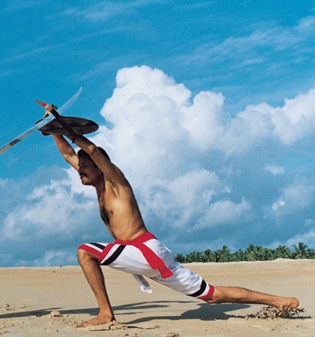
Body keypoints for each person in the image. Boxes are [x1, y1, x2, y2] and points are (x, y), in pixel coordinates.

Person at [46, 110, 299, 328]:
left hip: (144, 251)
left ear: (99, 166)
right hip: (149, 254)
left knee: (85, 252)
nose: (79, 170)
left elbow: (89, 149)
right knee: (212, 295)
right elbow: (71, 154)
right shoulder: (98, 186)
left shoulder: (117, 183)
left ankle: (105, 313)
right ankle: (282, 301)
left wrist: (67, 127)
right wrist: (52, 127)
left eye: (84, 167)